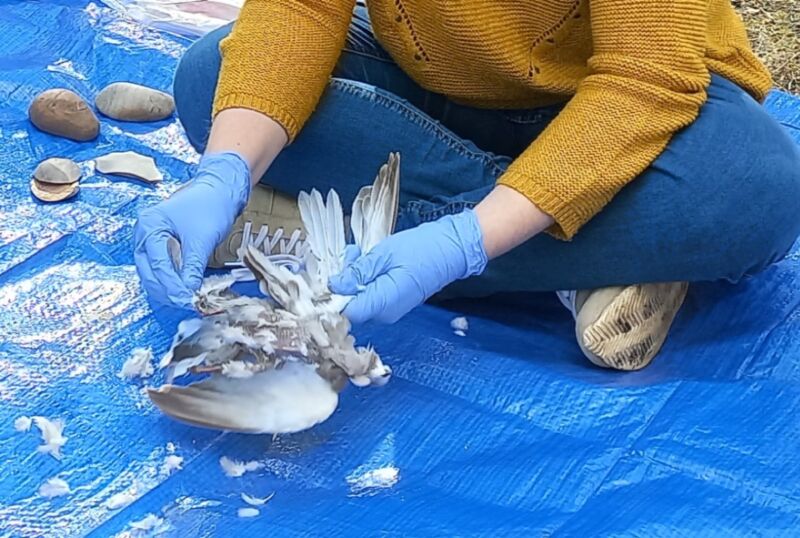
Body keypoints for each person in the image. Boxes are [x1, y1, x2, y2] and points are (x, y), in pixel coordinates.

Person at [134, 1, 800, 371]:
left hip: (632, 108)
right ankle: (601, 250)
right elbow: (300, 8)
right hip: (439, 95)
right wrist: (225, 170)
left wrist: (466, 240)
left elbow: (648, 75)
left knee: (760, 189)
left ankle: (333, 238)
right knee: (208, 82)